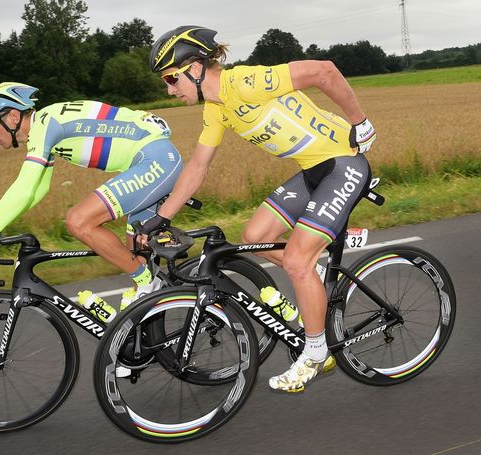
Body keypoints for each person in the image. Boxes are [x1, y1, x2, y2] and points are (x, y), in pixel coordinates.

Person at [145, 26, 376, 392]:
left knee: (298, 262)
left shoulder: (246, 82)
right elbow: (198, 167)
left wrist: (359, 122)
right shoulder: (216, 110)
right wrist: (162, 217)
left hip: (344, 163)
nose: (169, 89)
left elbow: (324, 71)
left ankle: (317, 353)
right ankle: (312, 272)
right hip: (312, 171)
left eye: (171, 78)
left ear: (195, 68)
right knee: (255, 238)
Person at [0, 82, 183, 317]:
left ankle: (148, 283)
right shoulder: (44, 127)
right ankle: (148, 339)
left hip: (155, 161)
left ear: (12, 117)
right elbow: (38, 190)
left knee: (78, 221)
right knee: (135, 270)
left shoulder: (45, 126)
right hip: (152, 160)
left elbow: (25, 187)